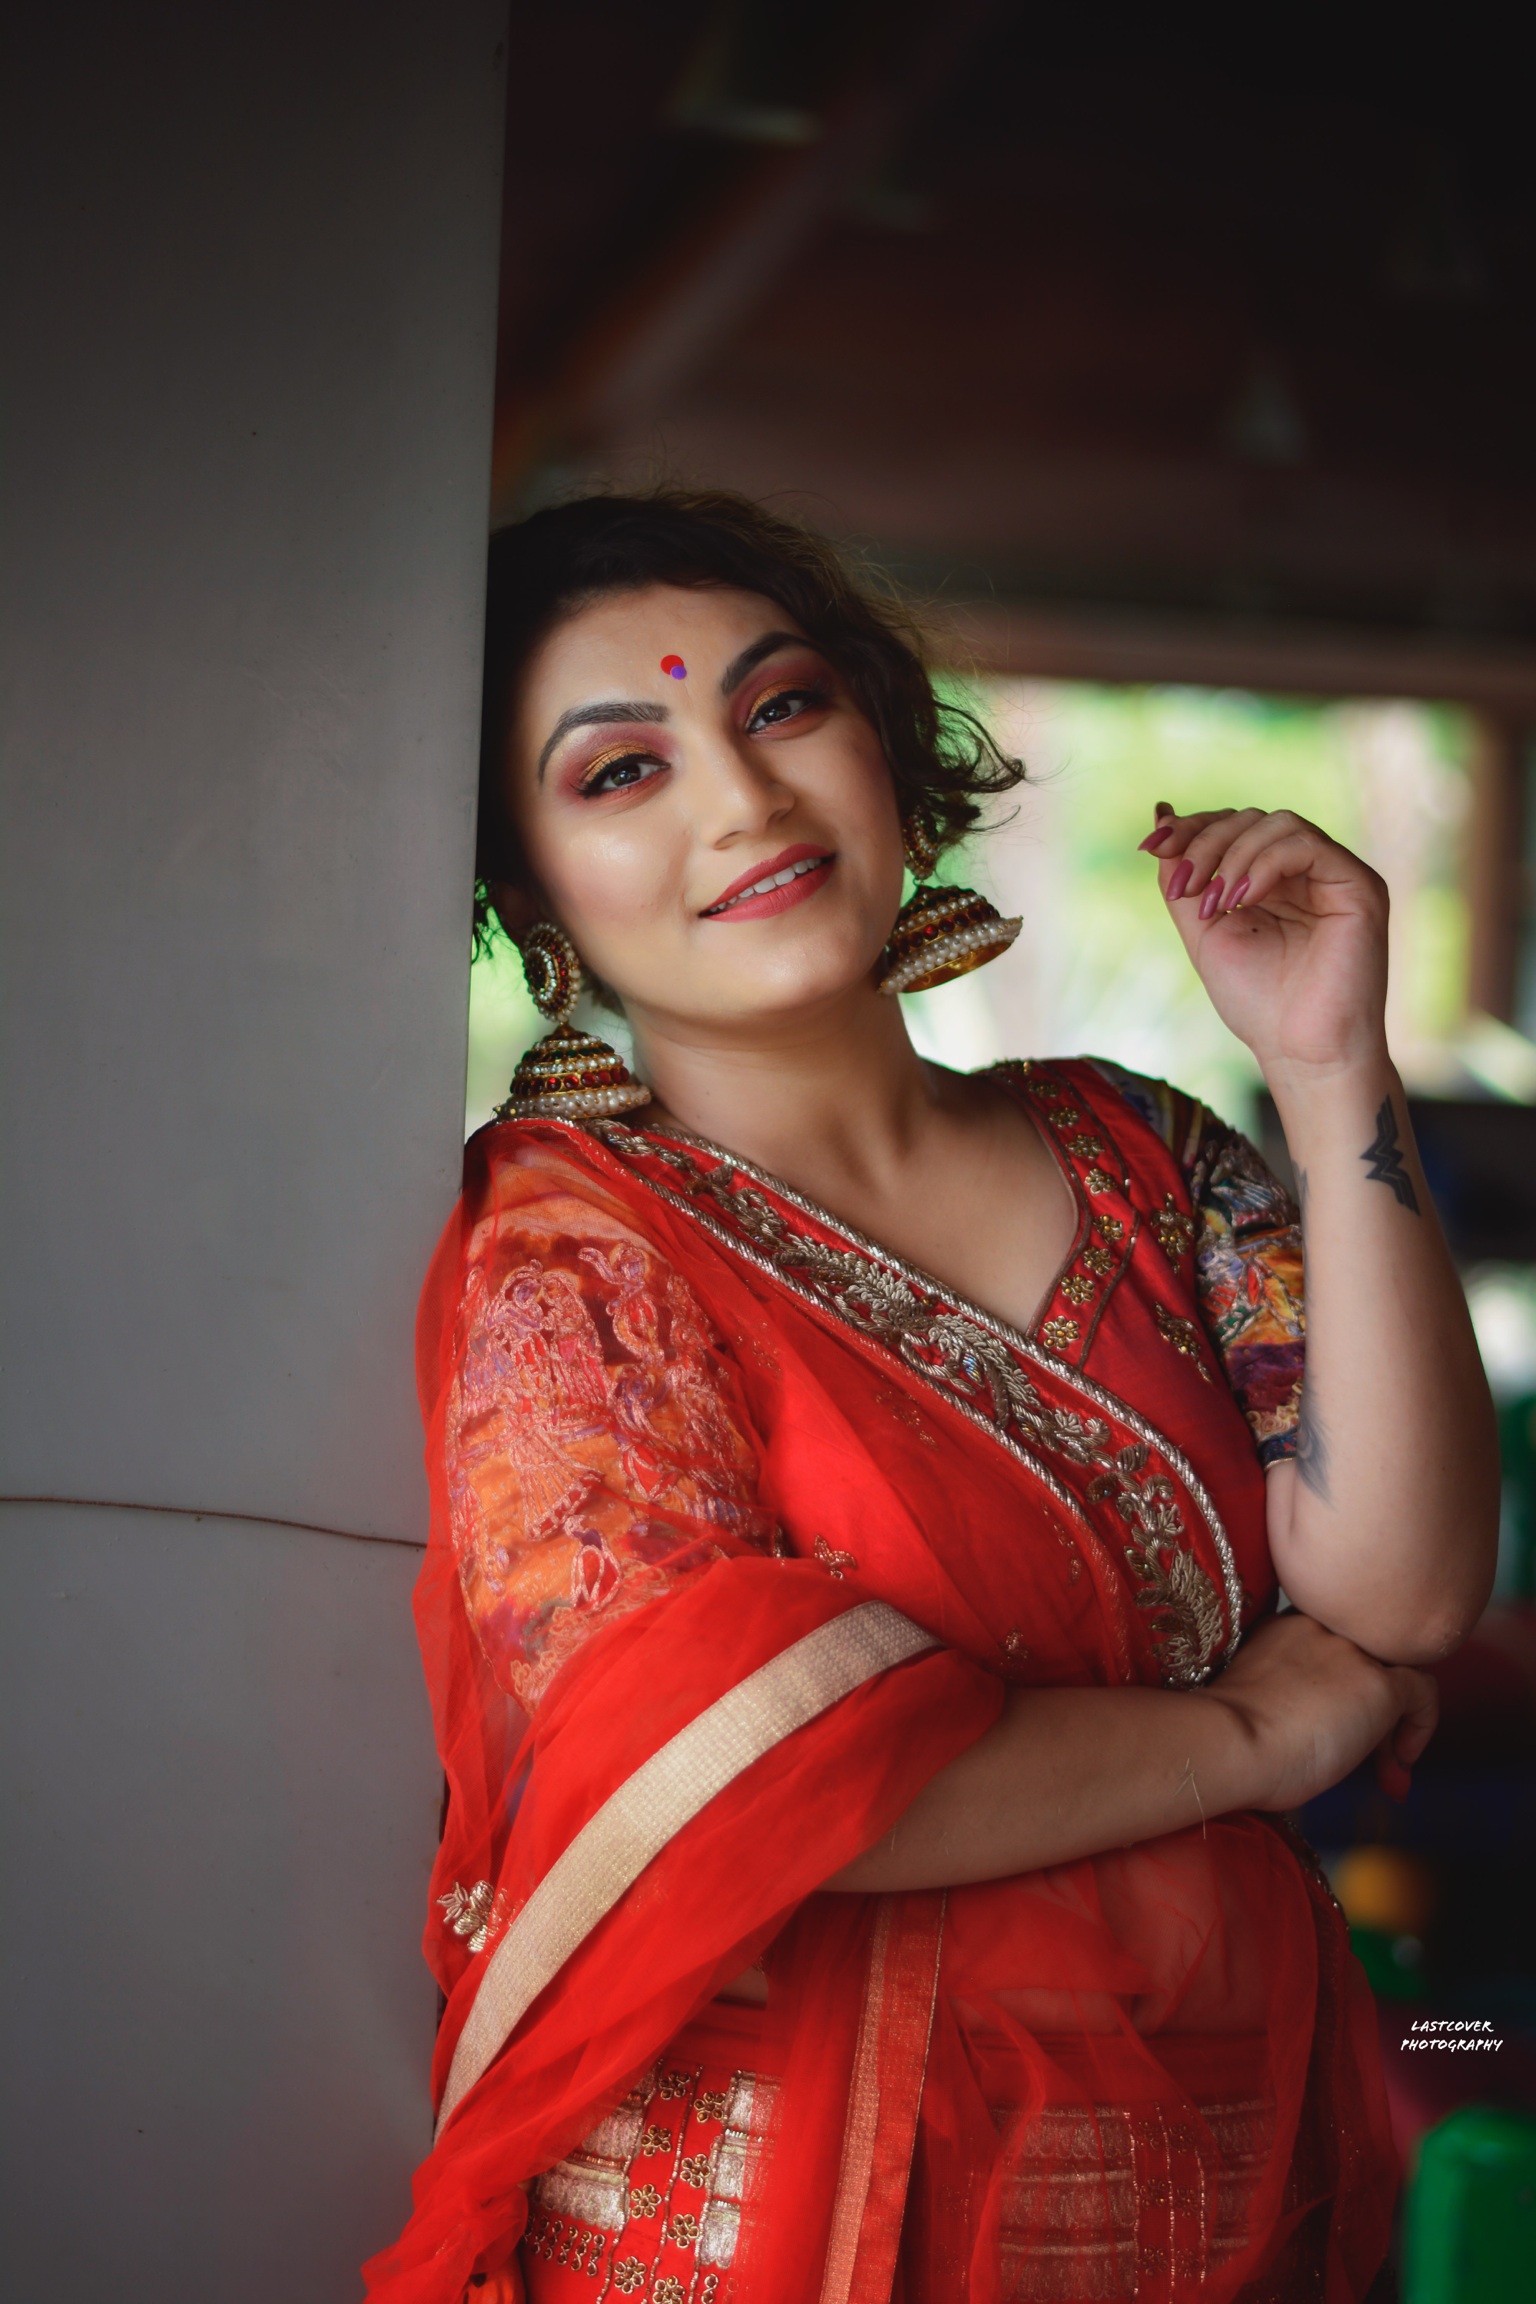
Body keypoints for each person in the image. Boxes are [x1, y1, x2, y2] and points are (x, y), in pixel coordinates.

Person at [363, 491, 1497, 2304]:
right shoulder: (572, 1255)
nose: (743, 798)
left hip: (1210, 2192)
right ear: (527, 893)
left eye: (782, 705)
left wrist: (1328, 1066)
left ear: (886, 748)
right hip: (787, 2224)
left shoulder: (1145, 1155)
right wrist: (1251, 1737)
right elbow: (736, 1779)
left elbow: (1408, 1590)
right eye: (621, 771)